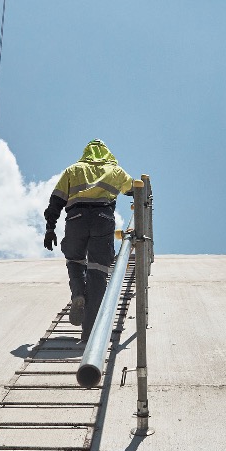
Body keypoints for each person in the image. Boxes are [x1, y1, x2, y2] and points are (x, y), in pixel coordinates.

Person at [43, 139, 134, 341]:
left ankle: (78, 294)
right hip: (103, 219)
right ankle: (89, 332)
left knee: (75, 260)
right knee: (98, 272)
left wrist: (50, 228)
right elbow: (134, 189)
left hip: (76, 219)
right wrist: (144, 194)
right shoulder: (115, 171)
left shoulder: (73, 170)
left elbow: (55, 201)